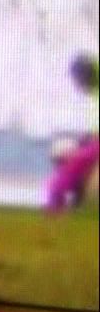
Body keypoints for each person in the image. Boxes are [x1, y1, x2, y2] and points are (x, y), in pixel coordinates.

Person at [46, 51, 98, 213]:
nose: (79, 87)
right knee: (75, 159)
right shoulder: (94, 90)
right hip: (94, 139)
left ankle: (55, 205)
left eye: (79, 82)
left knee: (75, 161)